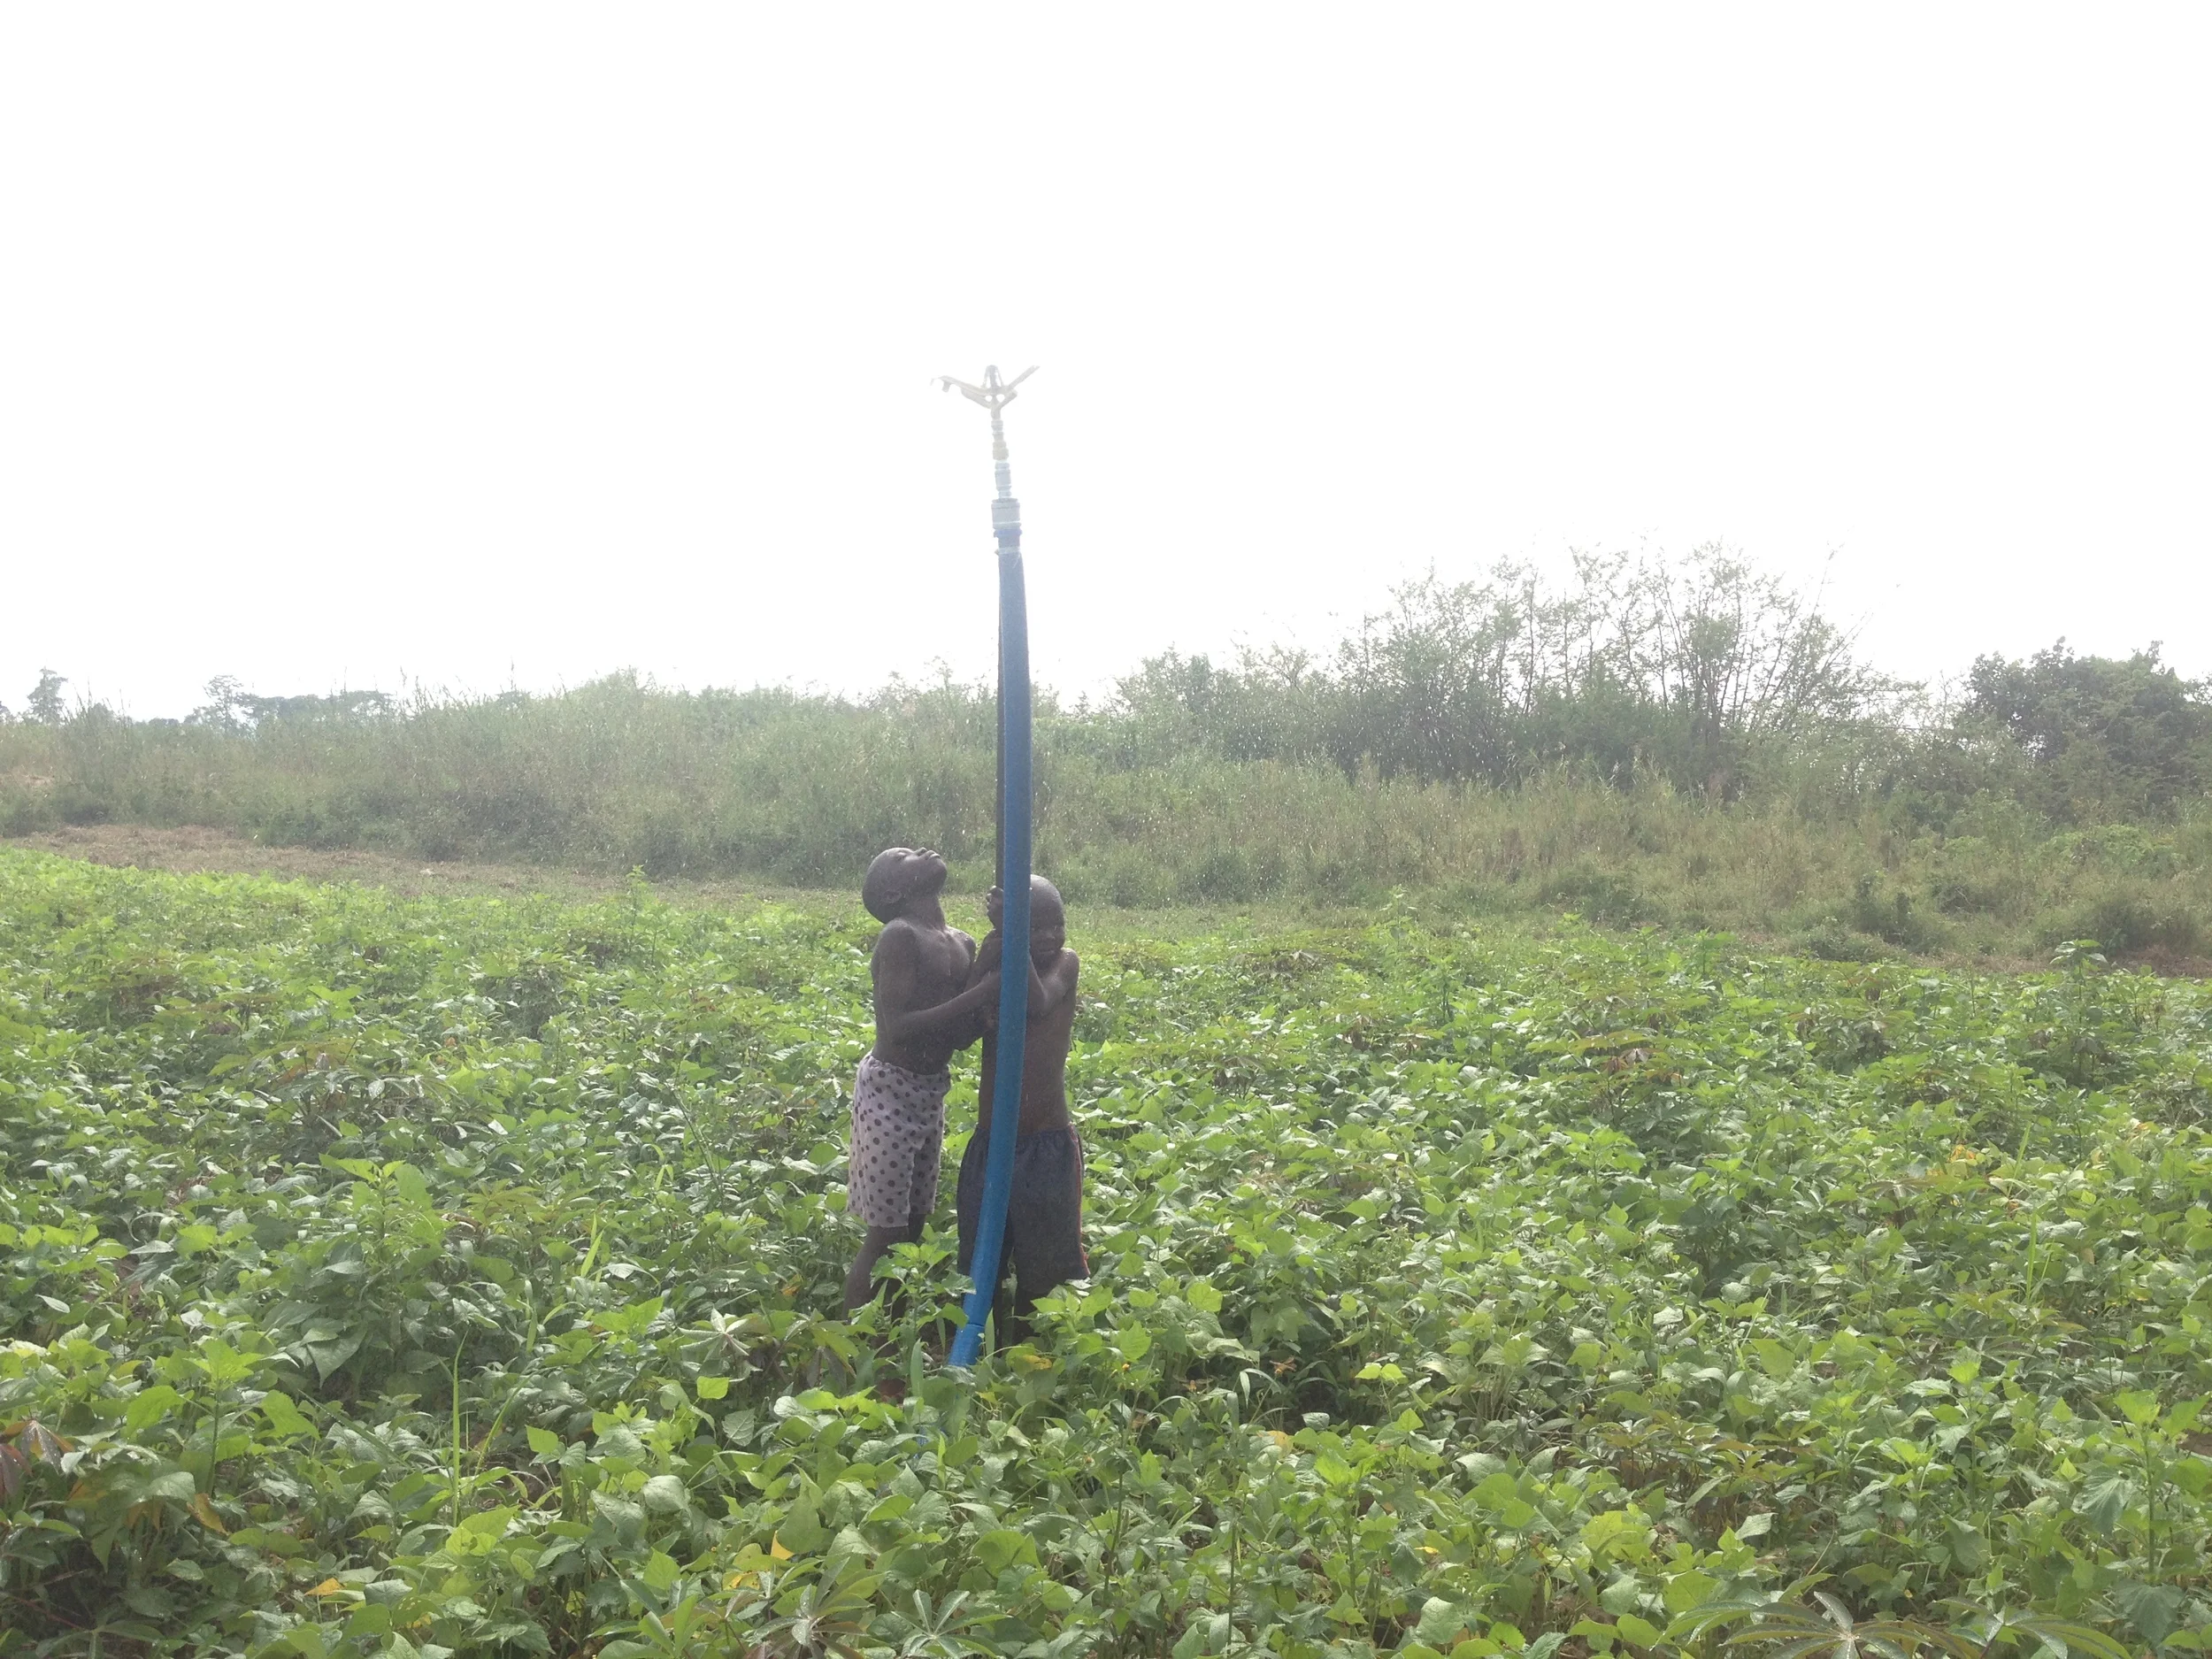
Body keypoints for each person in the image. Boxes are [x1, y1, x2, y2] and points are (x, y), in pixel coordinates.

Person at [844, 847, 1001, 1315]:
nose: (921, 851)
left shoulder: (963, 943)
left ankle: (892, 1327)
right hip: (888, 1092)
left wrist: (986, 1000)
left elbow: (956, 1035)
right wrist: (978, 993)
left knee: (913, 1224)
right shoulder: (900, 936)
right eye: (903, 857)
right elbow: (898, 1027)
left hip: (930, 1093)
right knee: (886, 1232)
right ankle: (849, 1338)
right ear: (894, 893)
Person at [957, 874, 1086, 1340]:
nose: (1050, 935)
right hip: (992, 1144)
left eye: (1058, 923)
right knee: (979, 1265)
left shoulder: (1065, 964)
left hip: (1045, 1147)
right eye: (1035, 927)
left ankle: (1027, 1355)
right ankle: (980, 1347)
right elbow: (963, 1027)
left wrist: (1012, 936)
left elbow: (1038, 1001)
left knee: (1043, 1270)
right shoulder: (1001, 956)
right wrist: (987, 959)